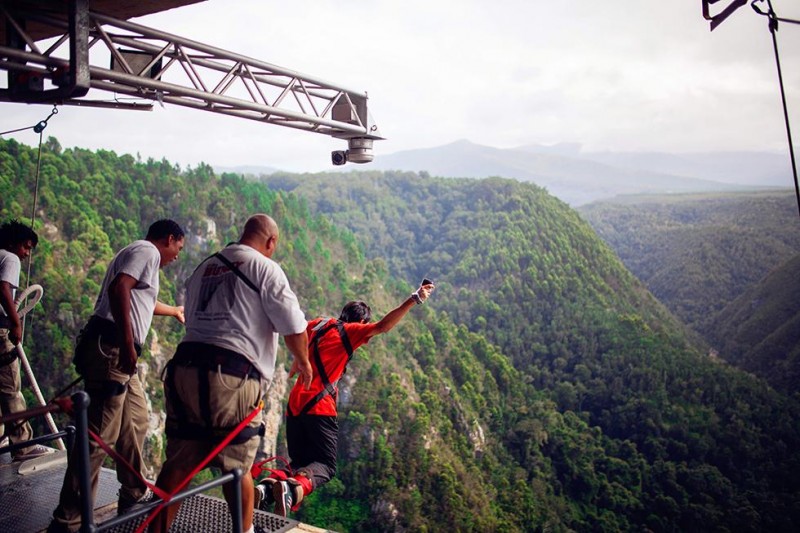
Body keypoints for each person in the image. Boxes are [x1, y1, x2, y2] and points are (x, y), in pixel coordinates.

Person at [152, 214, 313, 533]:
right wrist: (304, 363)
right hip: (232, 377)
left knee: (179, 464)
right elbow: (295, 328)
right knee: (237, 468)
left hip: (184, 370)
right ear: (271, 242)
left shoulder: (204, 267)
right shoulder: (266, 268)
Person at [48, 219, 186, 533]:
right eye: (178, 247)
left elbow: (142, 300)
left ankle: (133, 492)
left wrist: (174, 310)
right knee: (100, 437)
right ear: (169, 238)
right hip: (114, 350)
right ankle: (68, 519)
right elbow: (119, 288)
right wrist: (126, 343)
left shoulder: (141, 254)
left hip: (120, 356)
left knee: (136, 420)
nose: (177, 255)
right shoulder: (147, 251)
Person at [254, 279, 435, 517]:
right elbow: (384, 326)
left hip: (295, 404)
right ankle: (290, 489)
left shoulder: (318, 324)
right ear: (361, 322)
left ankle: (266, 490)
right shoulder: (351, 332)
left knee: (299, 463)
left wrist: (299, 361)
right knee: (326, 466)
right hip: (319, 408)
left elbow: (295, 333)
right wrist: (415, 298)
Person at [0, 220, 53, 460]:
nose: (26, 254)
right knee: (11, 387)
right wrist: (15, 322)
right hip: (1, 330)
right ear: (14, 243)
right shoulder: (10, 258)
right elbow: (3, 288)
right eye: (26, 247)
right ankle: (22, 445)